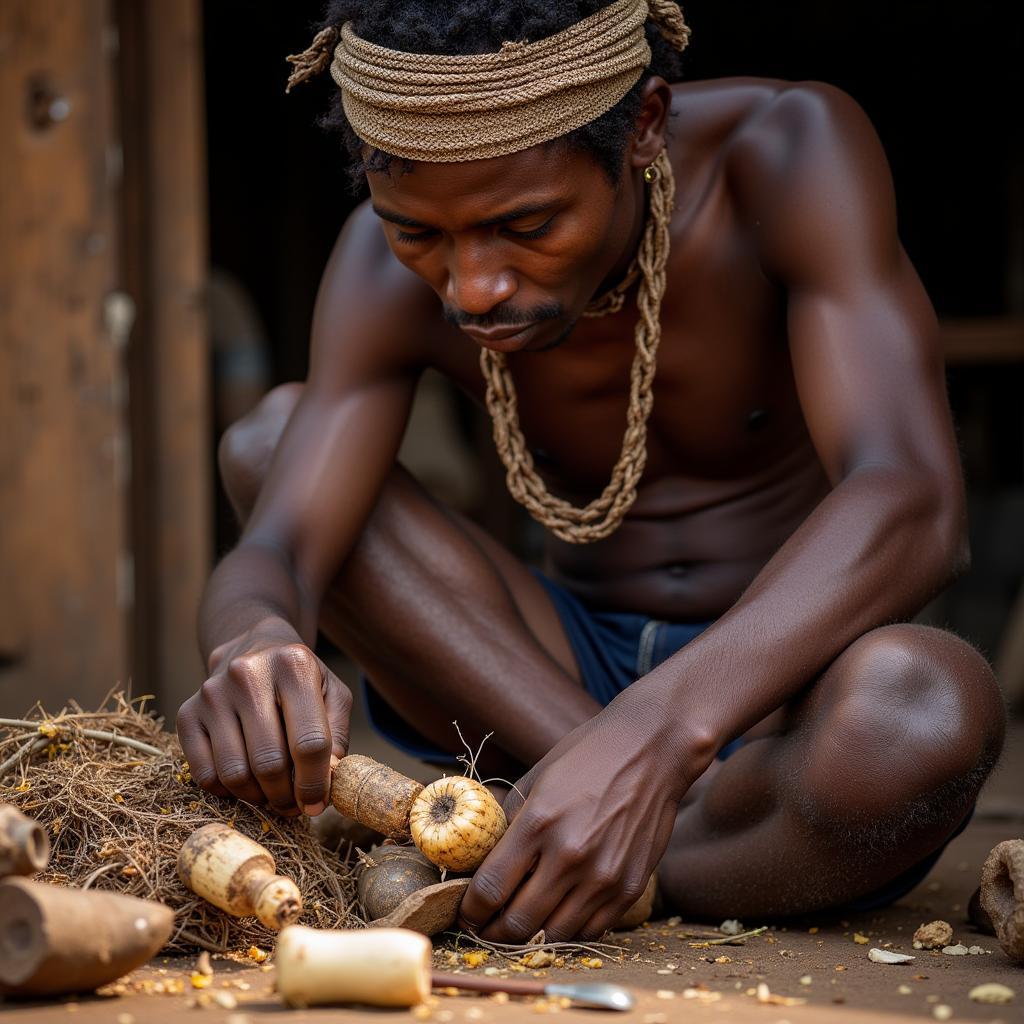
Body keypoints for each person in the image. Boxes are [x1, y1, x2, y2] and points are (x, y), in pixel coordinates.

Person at [177, 0, 1005, 942]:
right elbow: (280, 543)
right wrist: (250, 637)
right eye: (418, 234)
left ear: (645, 126)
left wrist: (653, 738)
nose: (471, 287)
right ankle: (668, 855)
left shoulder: (784, 152)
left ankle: (548, 850)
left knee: (925, 707)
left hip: (788, 695)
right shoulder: (380, 264)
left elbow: (915, 501)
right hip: (537, 685)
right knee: (268, 439)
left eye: (526, 224)